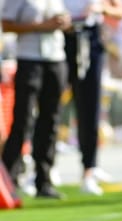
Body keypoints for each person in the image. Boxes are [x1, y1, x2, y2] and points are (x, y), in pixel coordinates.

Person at [1, 0, 72, 199]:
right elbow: (6, 25)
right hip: (29, 59)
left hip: (56, 59)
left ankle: (44, 179)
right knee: (23, 119)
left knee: (51, 120)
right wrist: (41, 26)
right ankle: (10, 178)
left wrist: (63, 23)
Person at [63, 0, 122, 196]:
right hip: (57, 37)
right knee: (50, 106)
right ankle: (42, 171)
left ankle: (89, 170)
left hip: (88, 37)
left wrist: (101, 8)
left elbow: (119, 10)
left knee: (89, 108)